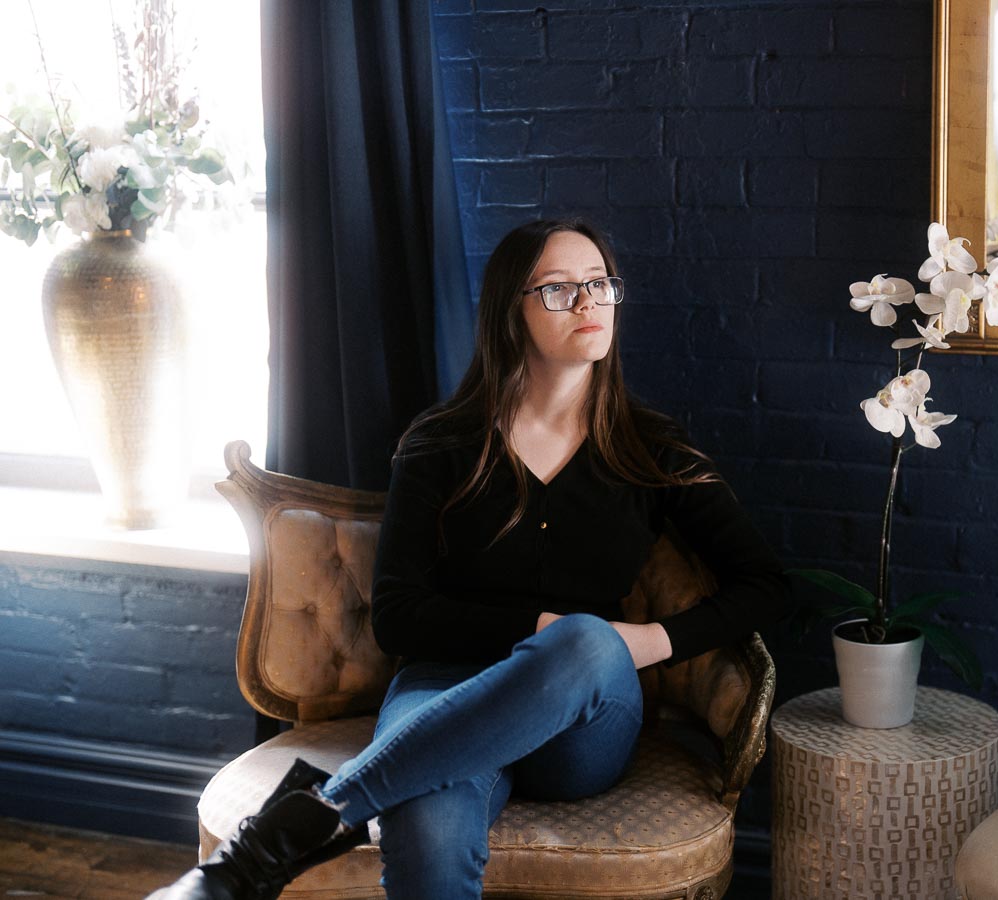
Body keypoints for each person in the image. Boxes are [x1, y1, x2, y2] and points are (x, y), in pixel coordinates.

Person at [148, 218, 787, 899]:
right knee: (425, 833)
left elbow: (765, 586)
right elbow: (397, 616)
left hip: (584, 715)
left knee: (584, 641)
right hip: (443, 690)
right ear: (510, 310)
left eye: (600, 284)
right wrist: (534, 625)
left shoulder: (651, 448)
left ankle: (292, 831)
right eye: (560, 289)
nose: (588, 302)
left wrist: (648, 641)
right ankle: (298, 830)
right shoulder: (443, 442)